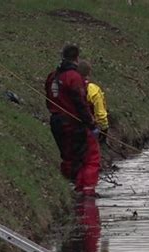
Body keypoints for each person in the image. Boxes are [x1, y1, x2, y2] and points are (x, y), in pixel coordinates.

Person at [45, 44, 101, 197]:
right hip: (72, 123)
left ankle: (72, 188)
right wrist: (91, 124)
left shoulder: (52, 76)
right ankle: (81, 190)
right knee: (80, 157)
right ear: (77, 58)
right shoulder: (74, 77)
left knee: (67, 155)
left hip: (56, 121)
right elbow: (80, 103)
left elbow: (48, 99)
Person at [77, 60, 109, 143]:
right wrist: (104, 130)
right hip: (88, 126)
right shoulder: (93, 90)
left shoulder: (70, 85)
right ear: (89, 73)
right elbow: (100, 114)